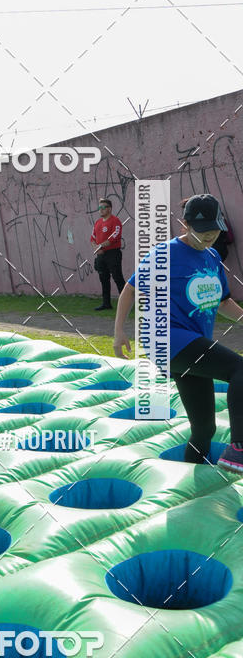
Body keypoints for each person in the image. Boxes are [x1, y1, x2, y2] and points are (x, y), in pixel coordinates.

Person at [113, 194, 243, 470]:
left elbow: (223, 302)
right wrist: (119, 332)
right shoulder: (166, 254)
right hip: (167, 338)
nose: (209, 236)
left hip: (192, 345)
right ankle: (239, 448)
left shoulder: (212, 256)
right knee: (239, 369)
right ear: (184, 224)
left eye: (214, 229)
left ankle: (193, 482)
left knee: (204, 429)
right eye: (202, 230)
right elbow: (131, 290)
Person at [90, 199, 125, 310]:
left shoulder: (115, 221)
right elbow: (92, 238)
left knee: (117, 278)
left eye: (103, 207)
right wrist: (96, 249)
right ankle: (106, 304)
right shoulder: (97, 222)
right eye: (99, 208)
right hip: (100, 255)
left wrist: (100, 246)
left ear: (109, 208)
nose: (101, 210)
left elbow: (114, 236)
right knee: (103, 279)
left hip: (113, 254)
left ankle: (126, 302)